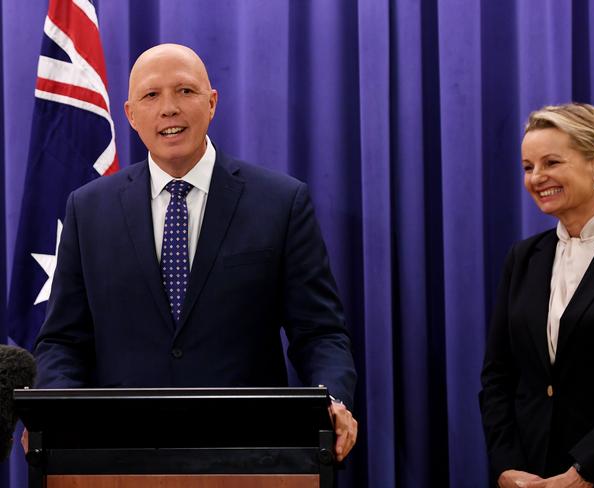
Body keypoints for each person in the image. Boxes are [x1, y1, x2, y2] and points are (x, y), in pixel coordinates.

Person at [33, 43, 357, 461]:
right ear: (130, 114)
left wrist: (331, 400)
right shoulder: (88, 209)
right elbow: (61, 341)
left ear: (212, 103)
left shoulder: (280, 202)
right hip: (118, 456)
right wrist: (58, 414)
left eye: (185, 91)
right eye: (151, 96)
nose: (169, 108)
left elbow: (320, 333)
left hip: (251, 455)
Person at [479, 103, 594, 487]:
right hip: (528, 475)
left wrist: (583, 471)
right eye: (528, 167)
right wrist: (506, 466)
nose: (537, 177)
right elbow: (498, 375)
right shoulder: (523, 257)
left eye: (551, 162)